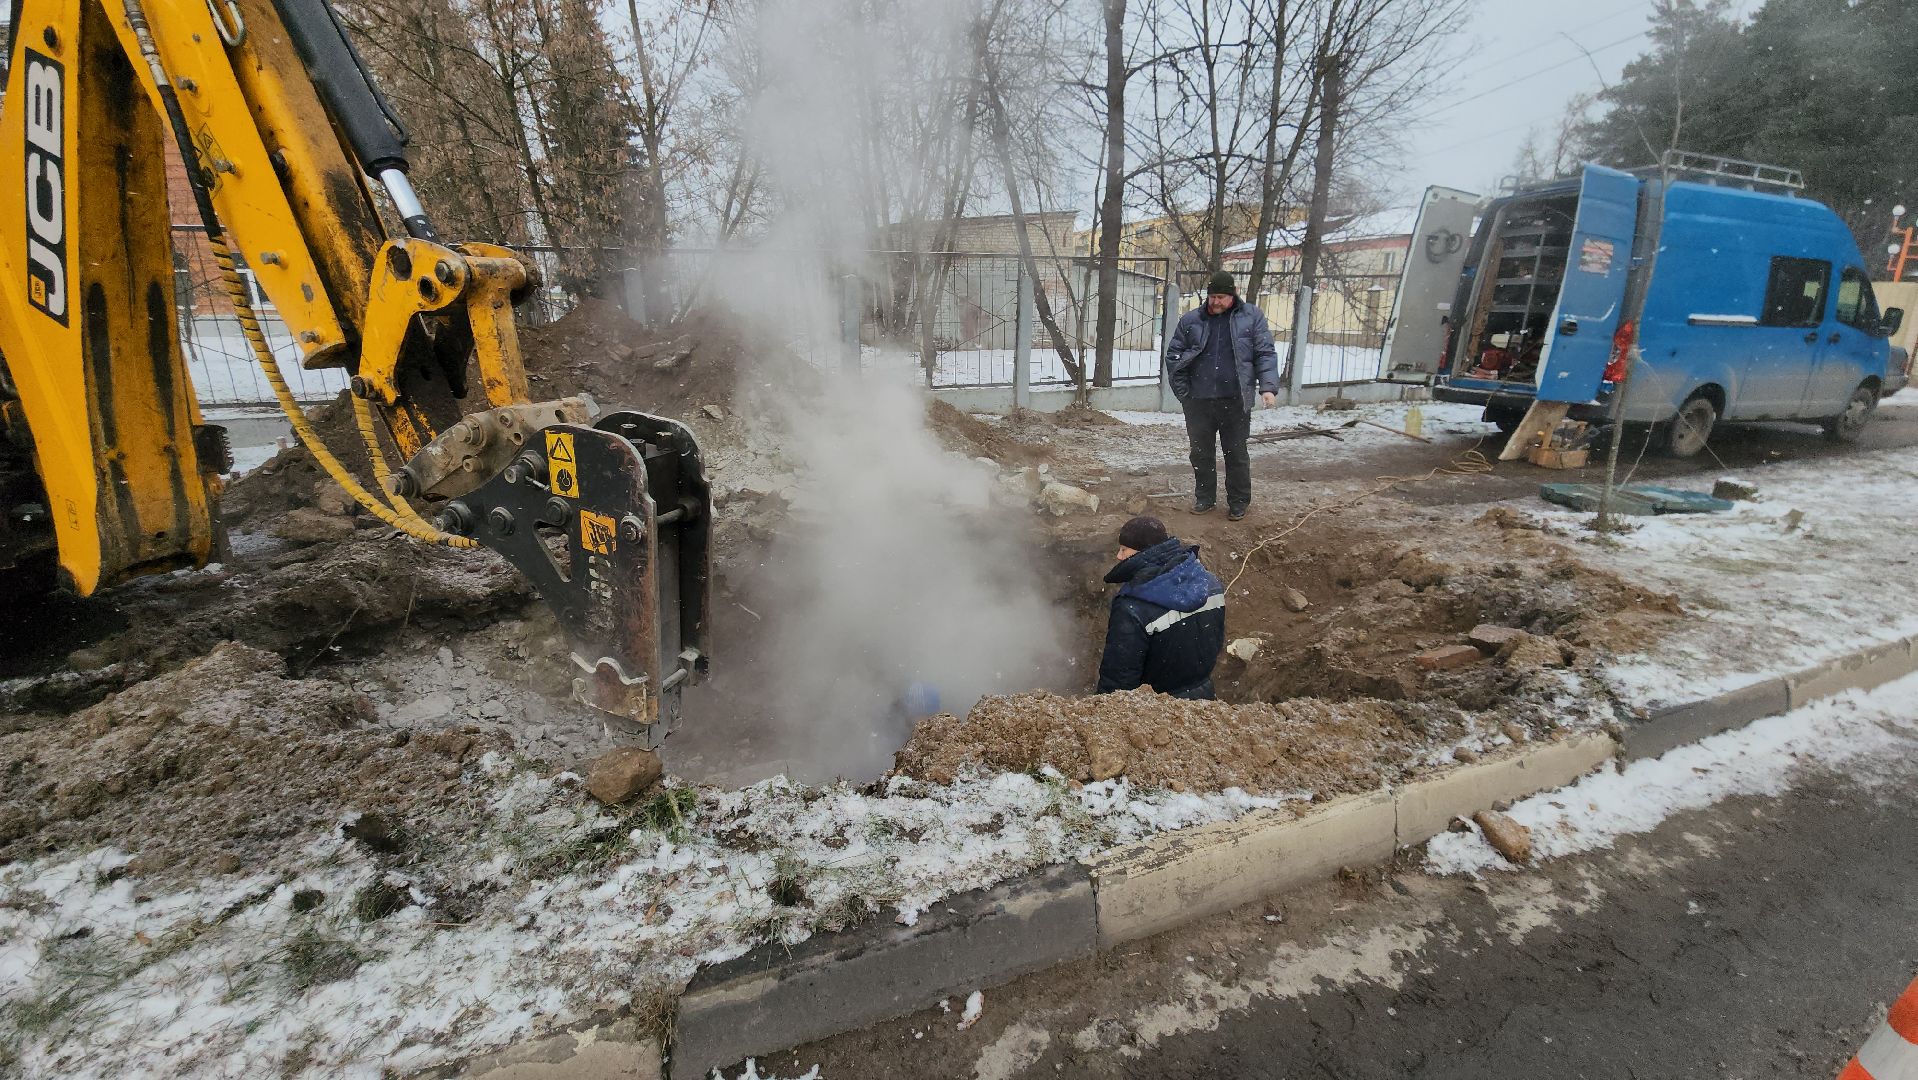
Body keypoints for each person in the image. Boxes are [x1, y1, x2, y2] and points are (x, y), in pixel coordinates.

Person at [1165, 270, 1281, 520]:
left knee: (1236, 453)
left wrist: (1268, 387)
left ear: (1233, 295)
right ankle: (1204, 498)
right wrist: (1184, 394)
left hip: (1235, 400)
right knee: (1200, 453)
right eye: (1212, 296)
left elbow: (1265, 353)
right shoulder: (1191, 320)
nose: (1215, 302)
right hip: (1198, 402)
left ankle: (1238, 501)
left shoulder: (1252, 317)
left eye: (1221, 297)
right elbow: (1174, 356)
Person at [1096, 515, 1225, 700]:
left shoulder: (1132, 607)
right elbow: (1215, 640)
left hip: (1157, 710)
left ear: (1142, 552)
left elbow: (1119, 678)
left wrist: (1102, 711)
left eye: (1124, 549)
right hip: (1203, 703)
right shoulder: (1210, 584)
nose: (1119, 556)